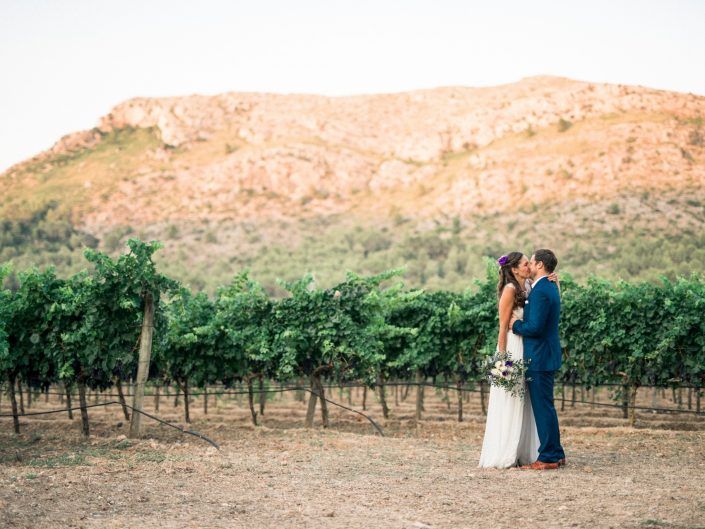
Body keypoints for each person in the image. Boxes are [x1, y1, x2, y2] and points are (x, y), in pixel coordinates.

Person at [478, 252, 540, 468]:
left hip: (526, 347)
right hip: (512, 347)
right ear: (514, 269)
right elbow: (502, 328)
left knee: (525, 399)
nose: (528, 266)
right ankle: (505, 452)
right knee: (511, 398)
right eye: (525, 264)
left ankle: (524, 451)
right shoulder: (510, 290)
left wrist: (554, 281)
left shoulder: (529, 286)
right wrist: (502, 361)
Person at [510, 249, 566, 470]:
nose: (530, 265)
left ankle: (549, 457)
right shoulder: (546, 286)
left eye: (531, 262)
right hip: (544, 355)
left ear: (541, 265)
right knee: (546, 407)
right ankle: (556, 452)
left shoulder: (541, 291)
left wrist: (514, 325)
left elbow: (535, 327)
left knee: (543, 409)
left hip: (540, 357)